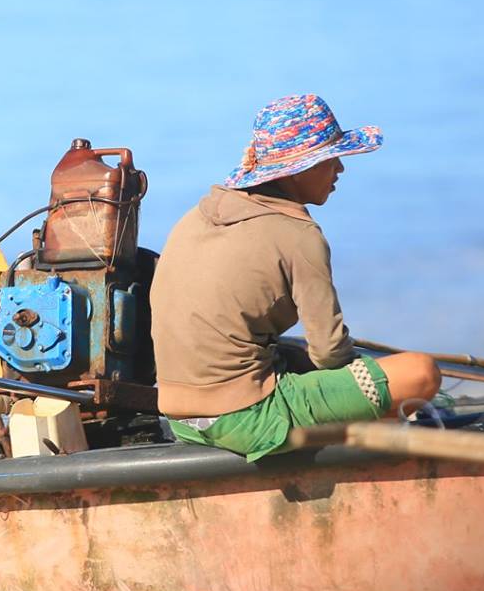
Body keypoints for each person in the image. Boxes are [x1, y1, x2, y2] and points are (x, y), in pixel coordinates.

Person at [150, 94, 442, 461]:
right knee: (420, 371)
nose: (340, 170)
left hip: (179, 414)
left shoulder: (195, 218)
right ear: (298, 170)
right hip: (244, 416)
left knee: (294, 354)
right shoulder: (298, 235)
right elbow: (330, 353)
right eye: (330, 160)